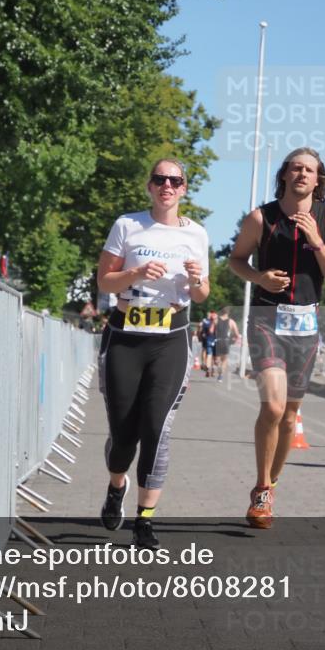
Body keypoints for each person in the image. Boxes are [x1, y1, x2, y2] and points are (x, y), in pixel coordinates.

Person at [229, 147, 325, 527]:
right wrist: (259, 277)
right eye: (295, 168)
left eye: (309, 170)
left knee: (291, 415)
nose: (301, 174)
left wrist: (316, 241)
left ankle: (272, 483)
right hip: (266, 318)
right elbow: (236, 261)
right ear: (283, 175)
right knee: (274, 407)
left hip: (306, 324)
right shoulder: (259, 217)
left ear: (318, 179)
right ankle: (261, 490)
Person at [96, 159, 210, 549]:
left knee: (156, 429)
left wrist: (196, 281)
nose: (167, 186)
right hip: (126, 334)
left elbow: (201, 294)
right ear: (149, 186)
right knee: (124, 433)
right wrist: (136, 274)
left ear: (183, 189)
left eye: (174, 181)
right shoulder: (128, 225)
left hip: (170, 338)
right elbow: (105, 280)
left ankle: (144, 519)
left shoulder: (196, 234)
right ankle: (116, 485)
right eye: (160, 179)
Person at [214, 305, 240, 382]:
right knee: (224, 360)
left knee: (218, 360)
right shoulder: (231, 322)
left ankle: (219, 373)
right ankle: (220, 376)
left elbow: (211, 331)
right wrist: (233, 340)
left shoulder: (216, 320)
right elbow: (237, 334)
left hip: (217, 341)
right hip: (226, 341)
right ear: (228, 313)